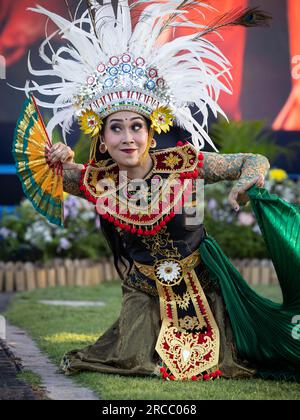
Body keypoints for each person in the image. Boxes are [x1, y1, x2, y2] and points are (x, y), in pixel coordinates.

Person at [13, 1, 300, 381]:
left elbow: (251, 160)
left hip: (205, 284)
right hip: (143, 293)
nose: (128, 138)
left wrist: (250, 180)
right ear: (103, 134)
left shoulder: (185, 165)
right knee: (133, 362)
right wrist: (58, 155)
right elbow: (53, 173)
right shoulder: (96, 181)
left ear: (151, 131)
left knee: (235, 359)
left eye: (137, 127)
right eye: (116, 128)